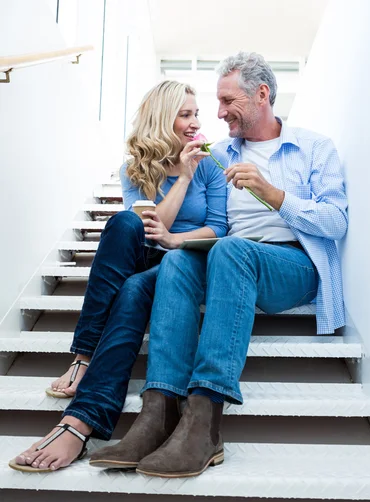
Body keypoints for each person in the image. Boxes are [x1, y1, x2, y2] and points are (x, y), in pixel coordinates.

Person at [94, 51, 348, 478]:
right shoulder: (217, 155)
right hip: (230, 261)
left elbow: (336, 222)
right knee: (176, 261)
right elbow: (202, 219)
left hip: (292, 264)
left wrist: (274, 194)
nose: (218, 113)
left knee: (231, 248)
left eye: (228, 101)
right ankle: (158, 413)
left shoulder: (313, 148)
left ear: (261, 94)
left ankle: (205, 420)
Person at [9, 80, 228, 473]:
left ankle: (79, 416)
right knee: (124, 222)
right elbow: (145, 227)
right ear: (163, 119)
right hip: (142, 251)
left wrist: (176, 238)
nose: (196, 122)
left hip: (183, 260)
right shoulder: (136, 167)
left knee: (130, 290)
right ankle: (85, 358)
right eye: (185, 114)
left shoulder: (210, 163)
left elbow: (218, 228)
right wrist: (179, 177)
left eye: (197, 113)